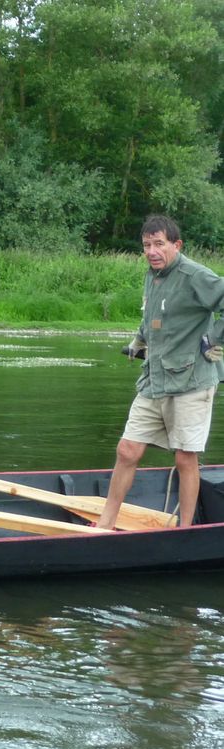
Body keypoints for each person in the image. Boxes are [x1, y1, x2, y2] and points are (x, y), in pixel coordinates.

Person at [97, 214, 224, 529]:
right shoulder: (151, 276)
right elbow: (151, 317)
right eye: (146, 245)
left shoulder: (195, 275)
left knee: (184, 458)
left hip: (192, 380)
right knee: (127, 450)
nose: (152, 251)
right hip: (154, 380)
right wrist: (138, 343)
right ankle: (104, 526)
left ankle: (184, 529)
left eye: (159, 244)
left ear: (176, 244)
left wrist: (214, 339)